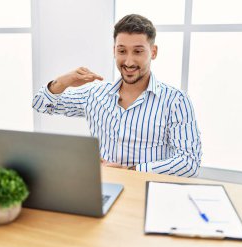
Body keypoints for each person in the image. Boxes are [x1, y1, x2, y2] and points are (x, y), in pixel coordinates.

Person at [32, 14, 202, 177]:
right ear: (114, 51)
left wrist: (131, 171)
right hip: (102, 189)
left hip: (148, 192)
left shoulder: (176, 101)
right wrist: (64, 81)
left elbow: (189, 162)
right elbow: (40, 103)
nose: (128, 62)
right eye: (122, 51)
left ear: (153, 52)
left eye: (137, 51)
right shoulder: (94, 94)